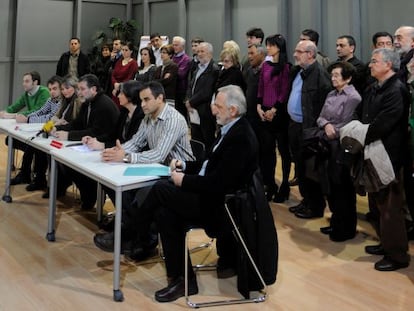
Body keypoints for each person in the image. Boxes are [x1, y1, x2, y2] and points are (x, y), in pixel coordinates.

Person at [137, 85, 259, 302]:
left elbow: (218, 183)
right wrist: (184, 165)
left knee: (161, 188)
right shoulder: (229, 129)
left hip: (222, 207)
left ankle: (131, 230)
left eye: (218, 106)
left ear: (232, 110)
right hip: (210, 197)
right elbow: (208, 165)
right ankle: (183, 280)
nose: (213, 110)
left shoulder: (240, 137)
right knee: (165, 213)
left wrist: (183, 180)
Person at [92, 81, 194, 260]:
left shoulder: (173, 119)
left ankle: (140, 240)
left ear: (160, 98)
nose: (143, 104)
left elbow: (159, 153)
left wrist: (126, 157)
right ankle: (137, 237)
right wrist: (119, 151)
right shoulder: (148, 117)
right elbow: (136, 142)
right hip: (157, 169)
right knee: (123, 188)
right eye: (141, 100)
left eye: (147, 100)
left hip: (178, 173)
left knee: (142, 194)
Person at [354, 48, 410, 271]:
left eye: (375, 61)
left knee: (391, 209)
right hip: (374, 152)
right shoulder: (374, 88)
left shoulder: (397, 90)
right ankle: (386, 244)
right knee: (379, 204)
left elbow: (384, 124)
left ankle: (397, 256)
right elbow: (362, 113)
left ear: (388, 65)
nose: (370, 65)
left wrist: (359, 133)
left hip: (389, 157)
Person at [51, 74, 119, 210]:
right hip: (91, 145)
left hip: (105, 147)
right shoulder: (88, 103)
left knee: (74, 164)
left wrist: (69, 135)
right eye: (78, 89)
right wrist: (58, 128)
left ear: (93, 89)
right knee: (65, 161)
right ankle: (86, 195)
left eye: (82, 89)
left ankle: (90, 195)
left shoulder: (103, 105)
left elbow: (96, 132)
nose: (79, 92)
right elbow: (78, 124)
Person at [287, 40, 332, 219]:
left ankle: (315, 206)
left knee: (310, 170)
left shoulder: (320, 76)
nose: (295, 54)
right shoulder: (299, 72)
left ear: (311, 54)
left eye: (299, 51)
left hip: (309, 130)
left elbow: (324, 106)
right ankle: (306, 201)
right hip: (295, 126)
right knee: (299, 167)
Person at [316, 61, 361, 242]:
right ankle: (335, 221)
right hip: (327, 144)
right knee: (331, 187)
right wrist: (326, 124)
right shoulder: (330, 93)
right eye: (332, 75)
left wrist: (329, 127)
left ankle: (346, 228)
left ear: (348, 78)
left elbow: (346, 123)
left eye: (336, 75)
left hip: (342, 147)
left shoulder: (353, 97)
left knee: (343, 188)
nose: (333, 78)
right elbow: (320, 117)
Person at [256, 34, 291, 203]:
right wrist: (258, 106)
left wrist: (274, 109)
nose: (268, 48)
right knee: (267, 152)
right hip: (264, 111)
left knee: (284, 152)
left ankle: (285, 185)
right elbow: (261, 88)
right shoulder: (266, 66)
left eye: (270, 45)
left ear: (279, 47)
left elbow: (284, 91)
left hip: (279, 114)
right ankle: (270, 185)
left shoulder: (285, 67)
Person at [0, 71, 50, 185]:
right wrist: (5, 112)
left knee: (31, 145)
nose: (24, 84)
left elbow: (37, 111)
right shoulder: (27, 93)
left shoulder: (44, 93)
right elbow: (15, 106)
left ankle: (28, 174)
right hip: (31, 129)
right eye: (23, 81)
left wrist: (13, 116)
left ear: (35, 82)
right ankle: (26, 174)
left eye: (27, 81)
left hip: (43, 129)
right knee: (10, 139)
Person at [42, 75, 83, 199]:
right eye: (63, 89)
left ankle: (59, 186)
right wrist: (55, 123)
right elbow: (56, 117)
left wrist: (61, 123)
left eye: (67, 88)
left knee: (55, 154)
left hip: (74, 137)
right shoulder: (65, 101)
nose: (65, 91)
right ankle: (55, 186)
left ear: (75, 88)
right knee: (48, 152)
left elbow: (76, 123)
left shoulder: (78, 102)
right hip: (62, 134)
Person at [21, 75, 64, 191]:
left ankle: (42, 180)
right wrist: (26, 117)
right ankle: (27, 175)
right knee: (31, 143)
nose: (52, 92)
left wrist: (28, 120)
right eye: (50, 89)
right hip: (49, 132)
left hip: (58, 134)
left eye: (55, 89)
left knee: (40, 149)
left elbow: (50, 118)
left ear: (61, 89)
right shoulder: (51, 100)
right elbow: (40, 112)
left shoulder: (62, 102)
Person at [186, 42, 219, 151]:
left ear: (209, 53)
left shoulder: (213, 69)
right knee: (196, 141)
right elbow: (191, 86)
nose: (199, 54)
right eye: (198, 51)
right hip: (193, 110)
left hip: (205, 112)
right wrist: (187, 100)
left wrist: (191, 102)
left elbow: (206, 91)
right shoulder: (197, 68)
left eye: (202, 51)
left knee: (207, 140)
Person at [111, 41, 139, 107]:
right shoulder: (119, 61)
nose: (124, 52)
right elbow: (113, 75)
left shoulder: (133, 63)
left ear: (131, 51)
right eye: (122, 50)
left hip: (125, 91)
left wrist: (119, 86)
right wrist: (115, 84)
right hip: (115, 89)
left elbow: (130, 77)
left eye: (126, 50)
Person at [244, 44, 266, 126]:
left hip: (262, 118)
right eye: (248, 54)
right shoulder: (249, 70)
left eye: (252, 53)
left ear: (262, 54)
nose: (249, 57)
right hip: (250, 117)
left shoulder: (268, 71)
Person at [172, 36, 191, 118]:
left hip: (181, 91)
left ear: (182, 47)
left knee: (181, 114)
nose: (174, 47)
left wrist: (170, 72)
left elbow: (181, 74)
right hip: (172, 90)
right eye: (173, 45)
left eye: (176, 45)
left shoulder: (186, 59)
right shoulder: (172, 57)